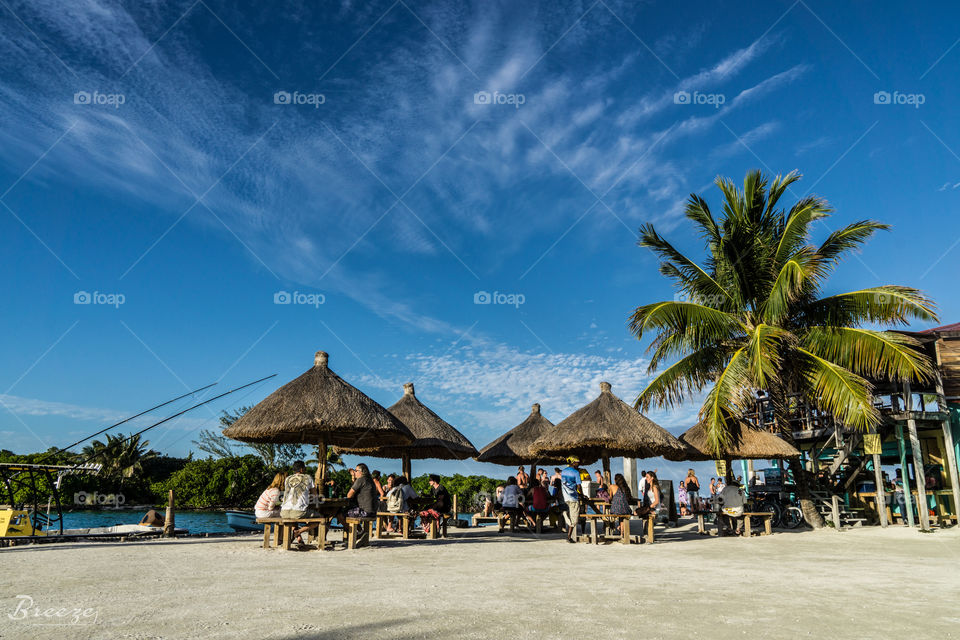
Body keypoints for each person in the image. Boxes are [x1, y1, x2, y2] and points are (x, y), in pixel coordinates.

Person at [280, 460, 318, 544]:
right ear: (301, 469)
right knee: (319, 519)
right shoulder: (308, 477)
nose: (305, 470)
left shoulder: (288, 478)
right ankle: (299, 531)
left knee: (293, 517)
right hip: (298, 512)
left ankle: (298, 538)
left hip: (284, 512)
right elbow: (315, 495)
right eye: (304, 468)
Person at [561, 457, 583, 543]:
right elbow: (579, 486)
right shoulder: (576, 472)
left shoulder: (563, 471)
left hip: (566, 497)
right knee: (574, 520)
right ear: (573, 462)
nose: (579, 464)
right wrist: (581, 494)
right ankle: (569, 537)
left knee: (573, 518)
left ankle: (569, 536)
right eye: (578, 462)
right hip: (573, 497)